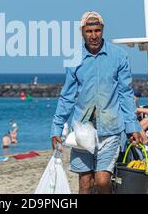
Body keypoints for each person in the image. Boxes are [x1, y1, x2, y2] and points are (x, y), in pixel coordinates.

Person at [51, 11, 142, 194]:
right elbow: (67, 96)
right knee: (85, 182)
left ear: (103, 30)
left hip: (111, 128)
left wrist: (132, 127)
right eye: (89, 31)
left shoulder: (119, 56)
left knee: (102, 180)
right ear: (82, 32)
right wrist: (56, 128)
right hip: (82, 130)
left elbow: (125, 93)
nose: (93, 35)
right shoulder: (74, 58)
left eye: (97, 30)